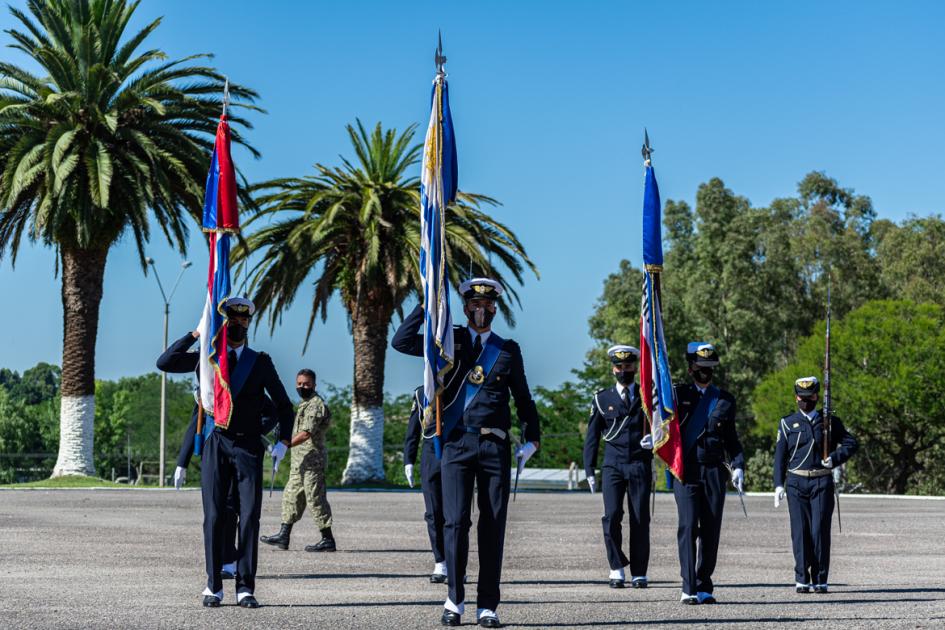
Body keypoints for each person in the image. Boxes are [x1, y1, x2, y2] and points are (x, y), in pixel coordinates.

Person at [392, 278, 541, 628]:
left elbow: (523, 397)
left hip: (494, 445)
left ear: (495, 309)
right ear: (463, 308)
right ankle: (454, 599)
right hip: (456, 443)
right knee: (455, 521)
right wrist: (427, 304)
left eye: (487, 305)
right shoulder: (449, 341)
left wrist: (532, 438)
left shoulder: (507, 350)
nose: (481, 309)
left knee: (492, 525)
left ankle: (487, 605)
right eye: (474, 304)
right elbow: (400, 342)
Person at [157, 297, 294, 608]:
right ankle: (213, 586)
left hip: (247, 446)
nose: (237, 325)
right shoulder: (208, 359)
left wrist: (284, 441)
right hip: (216, 443)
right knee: (215, 516)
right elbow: (165, 363)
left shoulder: (259, 362)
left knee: (249, 518)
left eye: (242, 321)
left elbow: (284, 406)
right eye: (231, 320)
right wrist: (196, 333)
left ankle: (245, 587)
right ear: (223, 322)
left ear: (248, 325)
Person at [168, 386, 279, 580]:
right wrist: (182, 463)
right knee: (218, 513)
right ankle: (227, 559)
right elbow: (196, 423)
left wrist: (252, 430)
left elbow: (272, 413)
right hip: (214, 457)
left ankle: (231, 561)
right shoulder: (208, 392)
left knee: (237, 511)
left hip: (241, 456)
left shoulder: (246, 386)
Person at [672, 342, 745, 605]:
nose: (706, 372)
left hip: (714, 471)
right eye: (701, 367)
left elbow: (731, 439)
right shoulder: (676, 396)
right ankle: (688, 585)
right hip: (687, 470)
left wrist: (738, 464)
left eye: (710, 368)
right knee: (689, 526)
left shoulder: (724, 399)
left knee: (711, 530)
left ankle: (704, 583)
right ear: (691, 367)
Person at [774, 376, 857, 594]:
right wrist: (777, 485)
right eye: (801, 398)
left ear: (816, 396)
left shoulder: (828, 421)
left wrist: (836, 458)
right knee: (800, 532)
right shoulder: (787, 423)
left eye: (809, 397)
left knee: (819, 531)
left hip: (821, 480)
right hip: (795, 481)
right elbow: (780, 457)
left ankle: (820, 578)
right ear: (796, 398)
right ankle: (802, 577)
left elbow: (851, 443)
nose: (805, 401)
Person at [583, 345, 652, 589]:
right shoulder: (602, 399)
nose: (625, 371)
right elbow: (592, 437)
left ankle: (639, 572)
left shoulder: (649, 395)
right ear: (613, 369)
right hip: (612, 465)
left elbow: (665, 425)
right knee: (611, 516)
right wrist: (589, 469)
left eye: (629, 366)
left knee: (640, 519)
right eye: (620, 367)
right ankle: (616, 567)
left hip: (640, 463)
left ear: (635, 366)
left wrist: (657, 439)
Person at [260, 368, 336, 553]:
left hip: (312, 462)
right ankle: (283, 535)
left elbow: (306, 433)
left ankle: (327, 539)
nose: (303, 387)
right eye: (300, 384)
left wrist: (285, 445)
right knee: (290, 497)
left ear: (314, 385)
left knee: (315, 499)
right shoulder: (303, 404)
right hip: (298, 462)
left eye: (307, 384)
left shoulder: (316, 405)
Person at [403, 385, 448, 583]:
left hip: (457, 448)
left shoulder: (463, 386)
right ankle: (441, 562)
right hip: (431, 452)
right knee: (433, 513)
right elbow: (413, 429)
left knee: (457, 515)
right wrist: (408, 460)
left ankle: (458, 563)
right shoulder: (422, 393)